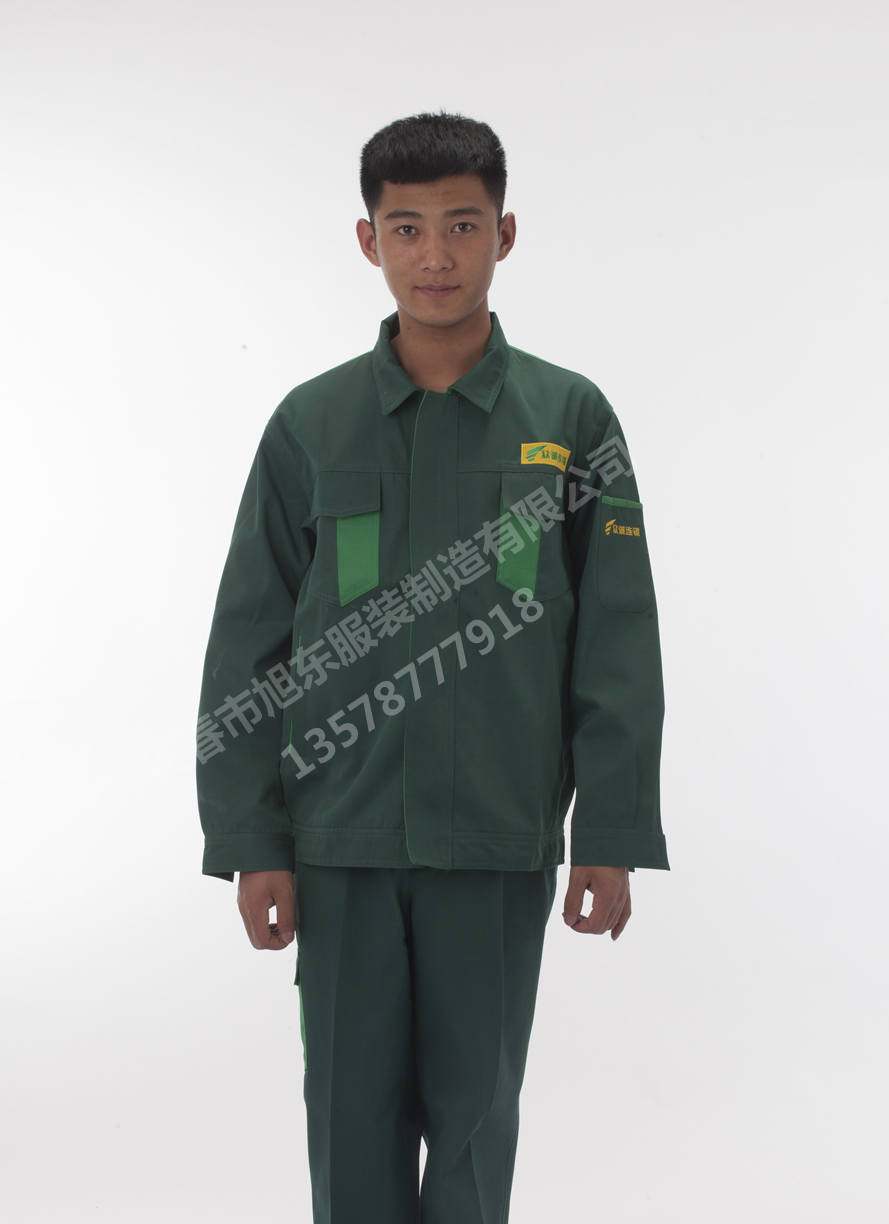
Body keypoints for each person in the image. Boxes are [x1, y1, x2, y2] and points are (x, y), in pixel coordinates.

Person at [195, 109, 670, 1223]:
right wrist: (251, 839)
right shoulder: (311, 424)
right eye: (406, 228)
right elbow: (247, 642)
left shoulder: (570, 416)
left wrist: (608, 832)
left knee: (473, 1126)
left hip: (496, 839)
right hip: (341, 846)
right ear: (369, 241)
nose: (436, 255)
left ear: (505, 234)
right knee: (348, 1123)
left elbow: (616, 638)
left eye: (462, 224)